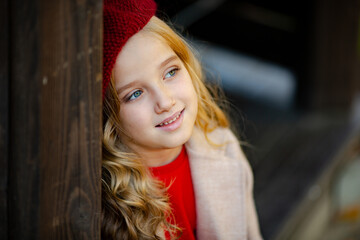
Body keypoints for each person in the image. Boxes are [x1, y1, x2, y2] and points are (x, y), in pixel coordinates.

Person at [101, 0, 263, 239]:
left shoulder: (223, 147)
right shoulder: (107, 201)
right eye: (135, 94)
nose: (165, 102)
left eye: (170, 72)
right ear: (107, 115)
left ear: (187, 64)